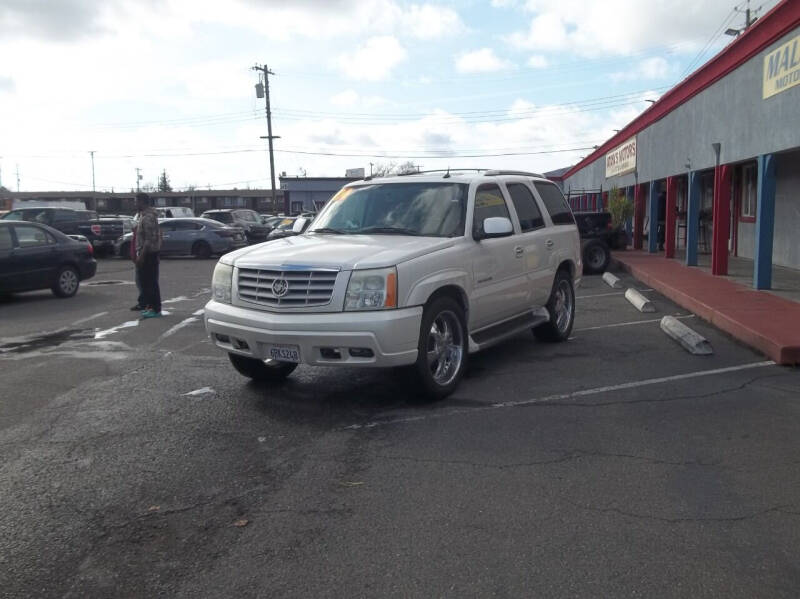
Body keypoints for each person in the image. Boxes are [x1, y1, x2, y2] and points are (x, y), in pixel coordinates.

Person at [134, 193, 162, 318]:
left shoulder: (148, 217)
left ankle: (155, 309)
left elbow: (149, 239)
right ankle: (150, 307)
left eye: (136, 201)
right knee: (145, 282)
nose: (135, 204)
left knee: (150, 283)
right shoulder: (143, 216)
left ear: (142, 202)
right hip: (148, 253)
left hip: (149, 254)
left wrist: (142, 256)